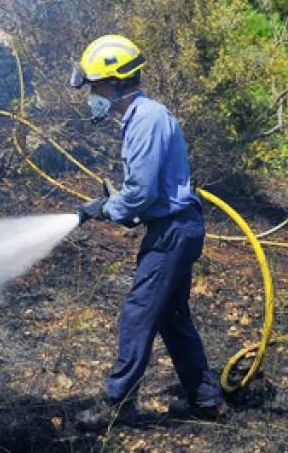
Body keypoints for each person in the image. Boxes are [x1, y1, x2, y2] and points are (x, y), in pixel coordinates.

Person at [69, 34, 225, 431]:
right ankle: (207, 400)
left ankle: (117, 404)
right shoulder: (142, 118)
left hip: (173, 231)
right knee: (171, 316)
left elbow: (141, 193)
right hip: (175, 228)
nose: (92, 95)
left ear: (116, 83)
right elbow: (145, 190)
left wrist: (106, 208)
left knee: (138, 313)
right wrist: (115, 205)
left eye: (96, 87)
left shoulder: (146, 119)